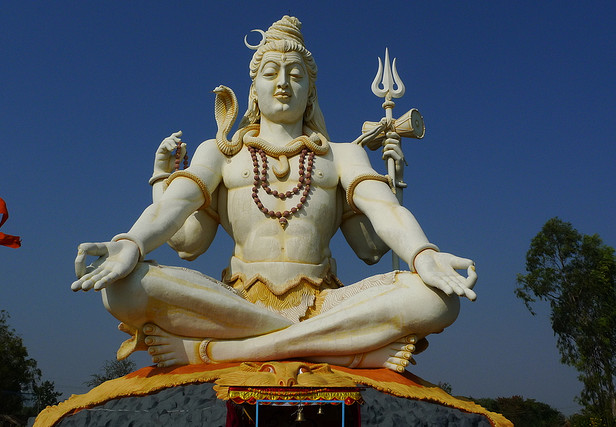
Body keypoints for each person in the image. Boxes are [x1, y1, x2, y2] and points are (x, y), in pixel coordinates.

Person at [72, 16, 476, 372]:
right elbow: (187, 238)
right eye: (271, 73)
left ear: (311, 91)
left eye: (295, 74)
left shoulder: (342, 155)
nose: (283, 83)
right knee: (121, 288)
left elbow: (374, 240)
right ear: (254, 89)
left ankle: (218, 352)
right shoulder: (221, 152)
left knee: (437, 300)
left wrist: (423, 253)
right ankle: (335, 348)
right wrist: (132, 241)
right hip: (235, 301)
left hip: (324, 302)